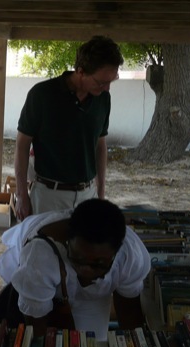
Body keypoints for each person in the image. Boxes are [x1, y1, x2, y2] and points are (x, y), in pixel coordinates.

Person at [0, 198, 150, 341]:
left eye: (98, 264)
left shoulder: (131, 255)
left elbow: (129, 315)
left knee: (93, 344)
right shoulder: (40, 258)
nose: (86, 271)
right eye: (78, 259)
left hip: (92, 298)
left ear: (117, 253)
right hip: (46, 289)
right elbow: (37, 327)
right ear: (68, 242)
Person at [14, 36, 124, 220]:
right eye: (101, 82)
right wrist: (22, 195)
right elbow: (22, 146)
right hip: (48, 196)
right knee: (45, 248)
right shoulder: (41, 95)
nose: (107, 89)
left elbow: (100, 145)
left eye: (112, 81)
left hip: (88, 196)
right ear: (80, 71)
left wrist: (101, 195)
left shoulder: (103, 99)